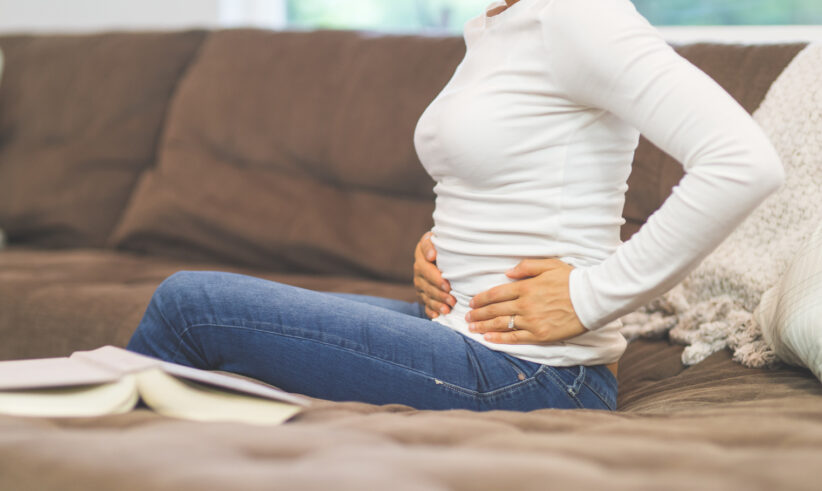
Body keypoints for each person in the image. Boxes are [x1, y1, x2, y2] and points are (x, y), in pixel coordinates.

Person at [126, 0, 784, 411]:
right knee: (216, 342)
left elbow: (742, 161)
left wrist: (590, 296)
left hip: (533, 373)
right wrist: (445, 247)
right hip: (453, 325)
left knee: (191, 308)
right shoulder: (499, 24)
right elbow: (509, 170)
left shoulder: (581, 15)